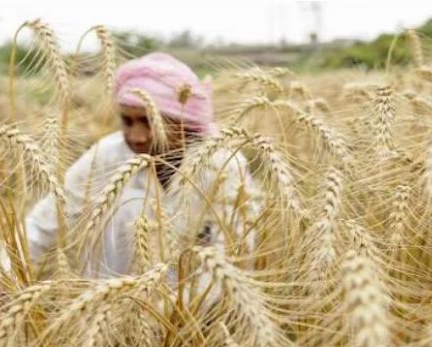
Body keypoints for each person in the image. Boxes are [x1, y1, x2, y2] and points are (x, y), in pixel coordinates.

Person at [18, 52, 260, 279]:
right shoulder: (107, 155)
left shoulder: (223, 164)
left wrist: (180, 315)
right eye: (127, 121)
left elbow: (237, 249)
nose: (137, 136)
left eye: (149, 121)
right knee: (125, 208)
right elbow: (45, 220)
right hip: (110, 304)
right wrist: (4, 276)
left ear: (183, 120)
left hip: (197, 306)